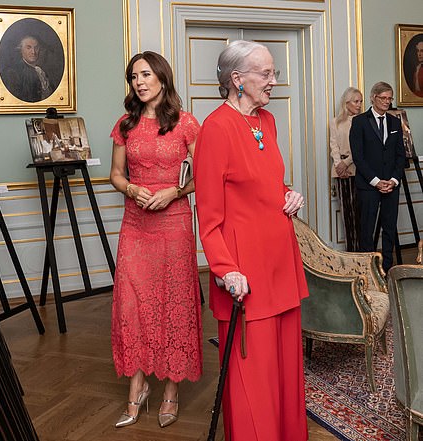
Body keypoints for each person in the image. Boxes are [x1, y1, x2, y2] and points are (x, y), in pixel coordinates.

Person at [193, 40, 309, 440]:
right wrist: (226, 271)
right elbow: (208, 216)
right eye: (266, 73)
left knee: (285, 376)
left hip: (281, 266)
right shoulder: (216, 128)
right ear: (237, 79)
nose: (274, 81)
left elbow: (263, 184)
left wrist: (288, 193)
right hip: (246, 277)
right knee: (252, 385)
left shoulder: (267, 122)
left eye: (274, 72)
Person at [109, 51, 201, 429]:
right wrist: (132, 188)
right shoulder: (126, 125)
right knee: (132, 304)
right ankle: (138, 385)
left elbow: (204, 177)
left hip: (174, 226)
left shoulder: (186, 124)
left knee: (173, 305)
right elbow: (115, 174)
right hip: (135, 225)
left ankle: (171, 391)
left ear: (162, 76)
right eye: (133, 77)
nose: (139, 82)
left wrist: (174, 193)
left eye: (145, 74)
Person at [350, 81, 406, 273]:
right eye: (383, 98)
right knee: (367, 231)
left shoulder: (395, 122)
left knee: (389, 229)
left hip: (391, 185)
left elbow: (401, 156)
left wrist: (393, 180)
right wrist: (375, 181)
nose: (387, 102)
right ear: (373, 97)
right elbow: (358, 156)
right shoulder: (359, 122)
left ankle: (389, 270)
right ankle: (367, 271)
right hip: (368, 186)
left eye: (390, 98)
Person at [330, 87, 363, 251]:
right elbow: (333, 146)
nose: (359, 105)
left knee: (358, 213)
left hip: (357, 170)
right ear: (347, 102)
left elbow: (360, 148)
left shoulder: (363, 121)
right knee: (346, 214)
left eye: (361, 101)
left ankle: (360, 251)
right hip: (340, 172)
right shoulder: (335, 122)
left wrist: (347, 163)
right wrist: (339, 165)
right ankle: (351, 252)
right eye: (356, 101)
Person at [1, 35, 53, 102]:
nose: (33, 52)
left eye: (36, 48)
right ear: (21, 49)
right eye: (28, 48)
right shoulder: (12, 72)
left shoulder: (42, 72)